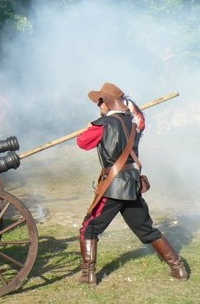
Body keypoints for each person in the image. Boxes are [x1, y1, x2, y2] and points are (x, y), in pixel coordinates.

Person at [76, 82, 188, 285]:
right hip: (131, 183)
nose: (98, 105)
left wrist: (90, 128)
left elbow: (82, 142)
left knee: (88, 228)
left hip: (114, 185)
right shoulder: (132, 123)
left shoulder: (103, 124)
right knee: (146, 229)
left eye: (100, 101)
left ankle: (88, 274)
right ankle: (178, 267)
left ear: (107, 103)